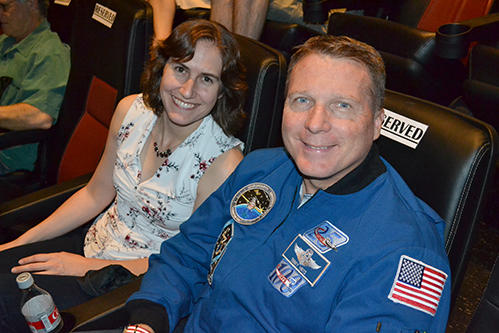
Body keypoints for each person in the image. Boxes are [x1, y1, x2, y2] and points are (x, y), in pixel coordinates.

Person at [125, 35, 451, 332]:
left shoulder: (405, 250)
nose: (315, 123)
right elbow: (188, 254)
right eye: (302, 101)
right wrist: (147, 320)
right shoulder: (260, 168)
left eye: (342, 106)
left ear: (377, 122)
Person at [0, 19, 246, 332]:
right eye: (181, 69)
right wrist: (19, 242)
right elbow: (95, 194)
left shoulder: (224, 164)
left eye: (207, 79)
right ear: (162, 67)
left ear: (222, 91)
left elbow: (189, 265)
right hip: (92, 243)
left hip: (136, 283)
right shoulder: (132, 112)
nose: (188, 90)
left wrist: (87, 266)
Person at [0, 0, 70, 174]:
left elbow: (41, 116)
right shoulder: (6, 41)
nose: (0, 13)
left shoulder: (50, 53)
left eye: (5, 6)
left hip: (8, 156)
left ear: (31, 4)